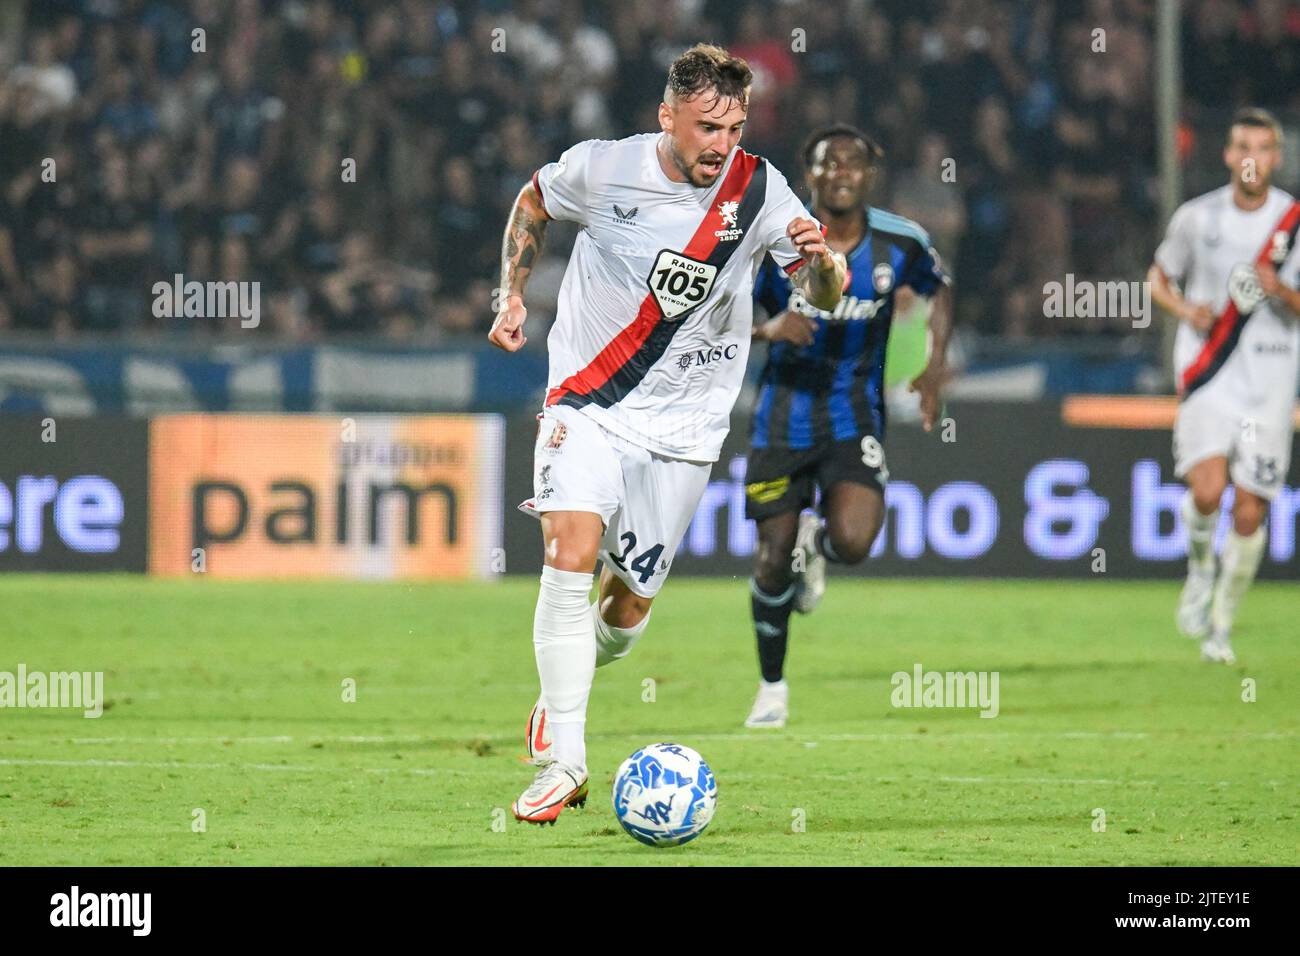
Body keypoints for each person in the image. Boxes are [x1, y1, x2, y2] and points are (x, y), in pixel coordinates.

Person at [487, 44, 847, 824]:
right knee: (569, 549)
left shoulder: (759, 190)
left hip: (686, 424)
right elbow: (532, 200)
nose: (722, 143)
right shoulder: (605, 167)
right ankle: (567, 762)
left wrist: (821, 267)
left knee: (625, 615)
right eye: (707, 126)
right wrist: (510, 296)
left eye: (736, 127)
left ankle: (566, 685)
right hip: (587, 394)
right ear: (667, 117)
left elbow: (820, 292)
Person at [742, 125, 952, 728]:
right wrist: (768, 328)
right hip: (781, 415)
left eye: (852, 162)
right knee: (770, 558)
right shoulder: (776, 242)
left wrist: (934, 370)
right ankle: (772, 688)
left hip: (853, 413)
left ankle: (823, 548)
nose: (839, 171)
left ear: (869, 173)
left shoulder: (901, 242)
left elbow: (943, 290)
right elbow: (714, 315)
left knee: (855, 542)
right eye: (825, 163)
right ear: (808, 176)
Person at [1148, 108, 1300, 664]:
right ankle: (1198, 570)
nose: (1252, 157)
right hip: (1210, 375)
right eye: (1242, 146)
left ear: (1275, 158)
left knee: (1249, 513)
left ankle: (1221, 624)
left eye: (1263, 147)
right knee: (1207, 492)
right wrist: (1187, 309)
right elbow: (1156, 278)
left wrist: (1281, 291)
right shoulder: (1197, 218)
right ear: (1229, 155)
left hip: (1272, 382)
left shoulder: (1294, 224)